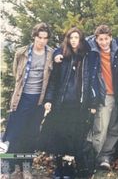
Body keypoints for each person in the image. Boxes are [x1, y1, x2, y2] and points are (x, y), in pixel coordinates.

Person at [40, 27, 95, 178]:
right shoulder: (62, 57)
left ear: (81, 39)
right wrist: (49, 100)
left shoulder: (86, 56)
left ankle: (70, 169)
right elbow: (53, 81)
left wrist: (92, 104)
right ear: (67, 40)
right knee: (60, 137)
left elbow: (91, 82)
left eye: (76, 37)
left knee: (74, 138)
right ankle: (59, 169)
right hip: (61, 105)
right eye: (71, 38)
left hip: (79, 106)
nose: (73, 40)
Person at [1, 22, 54, 177]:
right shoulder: (21, 53)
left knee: (30, 136)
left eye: (45, 38)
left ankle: (26, 167)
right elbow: (16, 74)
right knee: (13, 136)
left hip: (38, 101)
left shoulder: (50, 53)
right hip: (21, 99)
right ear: (34, 37)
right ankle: (7, 168)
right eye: (40, 37)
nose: (42, 41)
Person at [85, 25, 118, 170]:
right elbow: (73, 42)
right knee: (101, 127)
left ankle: (106, 156)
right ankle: (92, 158)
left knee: (115, 128)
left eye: (106, 39)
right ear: (96, 39)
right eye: (100, 39)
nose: (104, 42)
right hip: (104, 95)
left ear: (111, 38)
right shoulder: (92, 50)